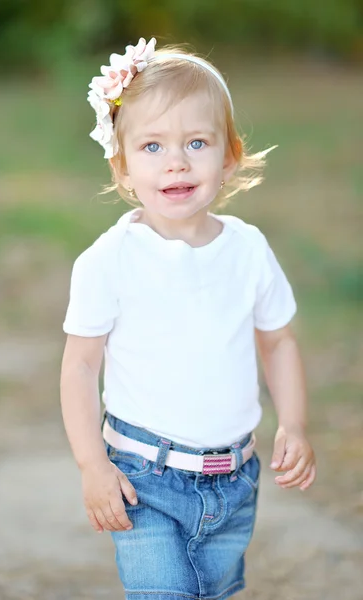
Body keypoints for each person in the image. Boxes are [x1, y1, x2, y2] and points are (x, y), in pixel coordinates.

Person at [60, 37, 316, 600]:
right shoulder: (109, 260)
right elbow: (79, 367)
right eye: (151, 146)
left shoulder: (247, 249)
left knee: (216, 592)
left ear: (228, 157)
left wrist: (294, 425)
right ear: (122, 167)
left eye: (196, 142)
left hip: (235, 478)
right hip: (142, 478)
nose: (176, 160)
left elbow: (278, 342)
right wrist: (91, 465)